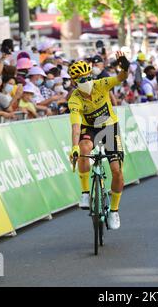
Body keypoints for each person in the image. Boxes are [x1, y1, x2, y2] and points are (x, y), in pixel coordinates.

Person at [68, 51, 130, 230]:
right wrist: (74, 147)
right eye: (81, 80)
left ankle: (114, 210)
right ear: (74, 83)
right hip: (90, 129)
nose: (86, 82)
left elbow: (121, 77)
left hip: (109, 126)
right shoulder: (74, 99)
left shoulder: (102, 84)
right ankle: (86, 193)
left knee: (117, 171)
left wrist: (124, 65)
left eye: (87, 78)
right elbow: (75, 126)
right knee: (84, 150)